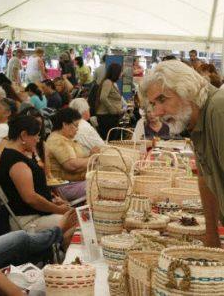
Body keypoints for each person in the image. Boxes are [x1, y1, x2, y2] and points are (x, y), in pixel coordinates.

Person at [140, 59, 224, 247]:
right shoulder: (195, 119)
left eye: (162, 99)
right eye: (153, 103)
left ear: (187, 90)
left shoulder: (219, 110)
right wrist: (212, 238)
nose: (157, 111)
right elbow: (205, 178)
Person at [0, 115, 77, 236]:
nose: (38, 139)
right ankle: (62, 252)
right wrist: (58, 209)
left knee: (78, 217)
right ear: (23, 135)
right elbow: (31, 198)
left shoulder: (16, 156)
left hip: (36, 214)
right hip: (29, 220)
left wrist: (53, 201)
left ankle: (60, 251)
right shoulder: (16, 162)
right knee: (79, 221)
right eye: (36, 135)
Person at [46, 108, 99, 202]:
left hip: (75, 183)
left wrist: (91, 155)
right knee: (102, 185)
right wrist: (93, 158)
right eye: (76, 125)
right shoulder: (57, 140)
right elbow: (71, 166)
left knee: (105, 179)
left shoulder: (65, 138)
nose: (77, 129)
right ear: (65, 124)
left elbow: (78, 160)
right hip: (65, 187)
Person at [96, 63, 123, 140]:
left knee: (111, 139)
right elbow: (103, 98)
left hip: (110, 117)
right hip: (107, 117)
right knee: (110, 140)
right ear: (116, 72)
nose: (121, 74)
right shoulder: (108, 82)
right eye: (120, 71)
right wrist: (113, 110)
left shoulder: (111, 83)